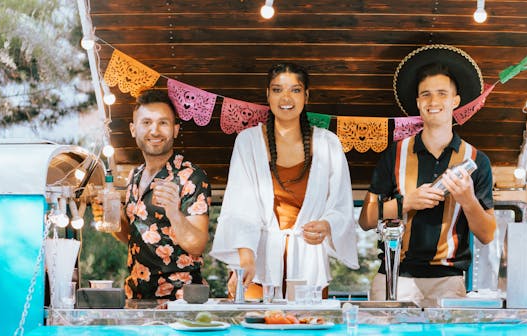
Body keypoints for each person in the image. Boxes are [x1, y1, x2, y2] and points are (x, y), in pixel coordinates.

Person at [359, 45, 496, 307]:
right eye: (426, 95)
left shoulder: (477, 161)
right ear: (418, 103)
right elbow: (365, 219)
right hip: (394, 279)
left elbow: (487, 235)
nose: (434, 102)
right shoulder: (395, 154)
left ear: (455, 101)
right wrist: (406, 203)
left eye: (442, 94)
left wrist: (467, 199)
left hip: (449, 282)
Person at [211, 62, 359, 298]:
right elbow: (238, 207)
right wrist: (245, 259)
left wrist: (327, 225)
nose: (286, 97)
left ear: (306, 96)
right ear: (267, 95)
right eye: (278, 89)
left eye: (295, 90)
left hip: (309, 262)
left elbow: (341, 203)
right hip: (256, 261)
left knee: (309, 330)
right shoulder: (248, 142)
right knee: (254, 330)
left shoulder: (328, 144)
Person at [112, 88, 211, 301]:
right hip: (137, 296)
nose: (154, 131)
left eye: (163, 123)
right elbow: (135, 239)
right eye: (146, 123)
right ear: (133, 129)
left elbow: (197, 245)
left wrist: (174, 213)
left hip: (180, 300)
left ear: (175, 130)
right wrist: (113, 219)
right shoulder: (134, 177)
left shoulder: (190, 176)